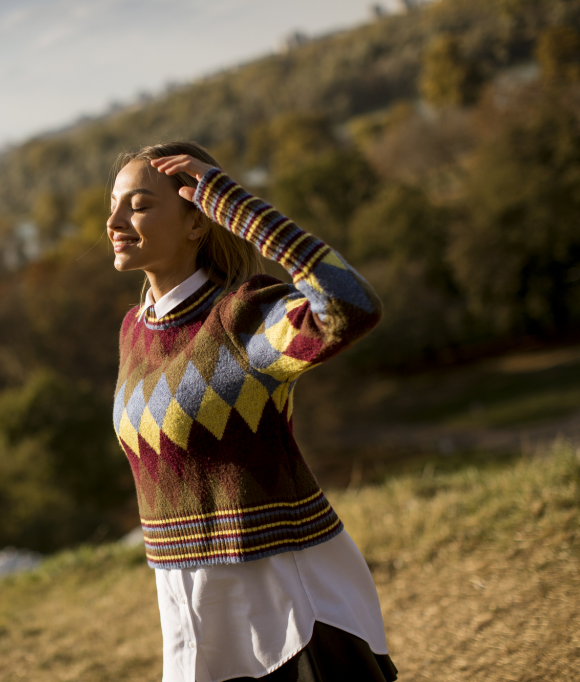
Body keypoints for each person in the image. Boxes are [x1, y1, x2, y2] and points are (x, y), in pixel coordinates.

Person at [107, 141, 397, 682]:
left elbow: (350, 306)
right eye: (115, 204)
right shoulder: (134, 331)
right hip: (190, 608)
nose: (115, 220)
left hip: (282, 606)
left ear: (197, 222)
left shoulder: (243, 318)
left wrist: (235, 206)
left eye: (139, 205)